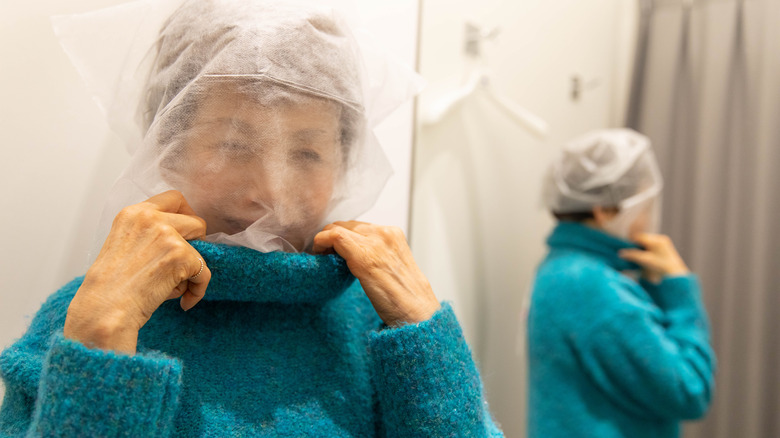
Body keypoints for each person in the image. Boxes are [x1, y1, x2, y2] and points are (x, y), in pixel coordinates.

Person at [0, 1, 503, 436]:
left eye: (307, 153)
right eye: (234, 146)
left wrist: (425, 336)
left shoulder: (384, 326)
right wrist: (101, 337)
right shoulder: (86, 316)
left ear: (347, 160)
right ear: (165, 147)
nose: (271, 196)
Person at [527, 129, 715, 438]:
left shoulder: (559, 269)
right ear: (605, 211)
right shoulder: (593, 288)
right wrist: (679, 289)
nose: (648, 221)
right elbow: (691, 390)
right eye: (645, 207)